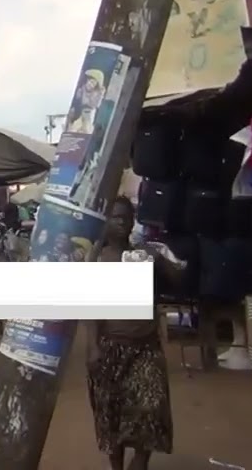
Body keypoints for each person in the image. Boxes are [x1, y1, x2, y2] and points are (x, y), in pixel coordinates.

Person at [83, 196, 178, 470]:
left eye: (126, 217)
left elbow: (177, 278)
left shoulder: (143, 255)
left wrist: (160, 259)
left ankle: (140, 462)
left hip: (146, 346)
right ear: (105, 222)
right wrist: (92, 346)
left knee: (151, 408)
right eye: (115, 217)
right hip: (111, 346)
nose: (121, 222)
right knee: (112, 414)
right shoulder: (97, 260)